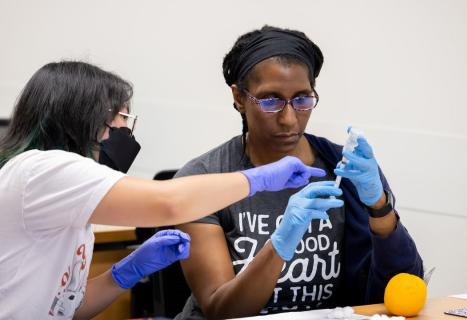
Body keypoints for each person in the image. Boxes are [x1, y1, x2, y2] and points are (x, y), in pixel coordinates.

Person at [0, 61, 327, 319]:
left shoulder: (64, 197)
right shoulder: (42, 170)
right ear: (83, 119)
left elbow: (65, 311)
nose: (125, 131)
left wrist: (123, 274)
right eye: (121, 117)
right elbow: (169, 204)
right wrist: (260, 179)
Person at [174, 26, 424, 320]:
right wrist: (280, 244)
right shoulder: (203, 179)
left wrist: (379, 206)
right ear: (239, 98)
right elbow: (221, 310)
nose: (289, 118)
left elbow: (404, 286)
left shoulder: (344, 168)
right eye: (270, 100)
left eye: (302, 99)